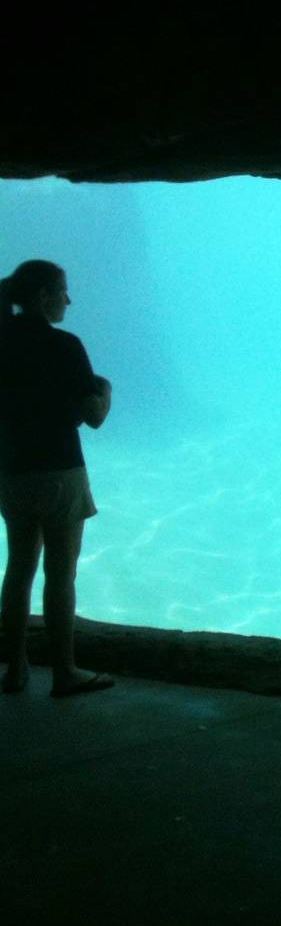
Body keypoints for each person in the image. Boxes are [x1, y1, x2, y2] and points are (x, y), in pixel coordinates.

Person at [0, 260, 114, 698]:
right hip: (60, 472)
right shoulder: (65, 345)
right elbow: (94, 416)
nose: (68, 299)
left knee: (18, 570)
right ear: (43, 296)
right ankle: (64, 671)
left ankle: (15, 669)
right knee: (60, 574)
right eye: (62, 290)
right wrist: (105, 388)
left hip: (13, 471)